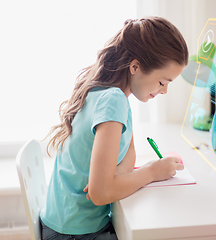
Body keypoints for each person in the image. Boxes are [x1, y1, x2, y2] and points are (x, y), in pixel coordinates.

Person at [40, 16, 188, 239]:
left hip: (66, 223)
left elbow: (128, 156)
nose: (164, 91)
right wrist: (151, 172)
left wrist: (113, 179)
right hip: (74, 233)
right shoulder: (113, 101)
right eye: (162, 82)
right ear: (135, 67)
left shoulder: (109, 93)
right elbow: (100, 194)